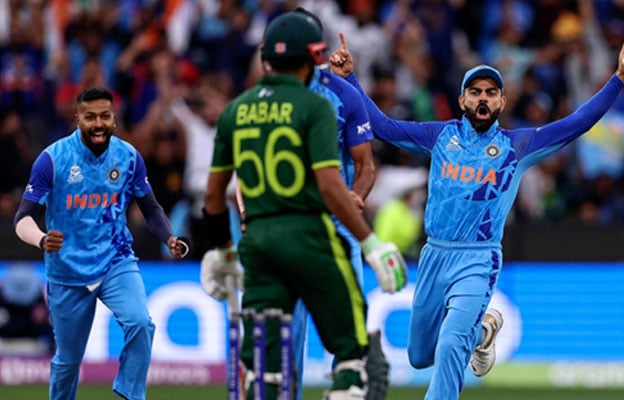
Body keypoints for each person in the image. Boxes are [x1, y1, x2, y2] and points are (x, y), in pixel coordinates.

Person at [330, 32, 624, 399]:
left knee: (449, 349)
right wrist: (349, 79)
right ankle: (484, 330)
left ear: (502, 101)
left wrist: (617, 79)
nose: (483, 98)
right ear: (462, 99)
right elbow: (382, 126)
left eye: (491, 93)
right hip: (434, 254)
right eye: (475, 92)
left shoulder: (518, 146)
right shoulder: (440, 136)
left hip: (477, 258)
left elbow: (577, 123)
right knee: (418, 355)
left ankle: (467, 340)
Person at [198, 12, 407, 400]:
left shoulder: (235, 111)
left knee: (262, 368)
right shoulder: (315, 107)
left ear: (264, 56)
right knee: (354, 356)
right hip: (316, 235)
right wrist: (372, 243)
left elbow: (214, 195)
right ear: (315, 53)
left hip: (259, 241)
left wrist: (222, 249)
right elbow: (329, 187)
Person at [12, 86, 190, 400]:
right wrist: (41, 239)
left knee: (141, 323)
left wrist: (169, 237)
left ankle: (129, 395)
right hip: (67, 271)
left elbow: (149, 207)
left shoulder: (129, 157)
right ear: (77, 119)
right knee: (67, 361)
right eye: (90, 116)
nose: (98, 123)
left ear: (114, 120)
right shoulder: (52, 159)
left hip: (115, 260)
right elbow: (22, 217)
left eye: (105, 116)